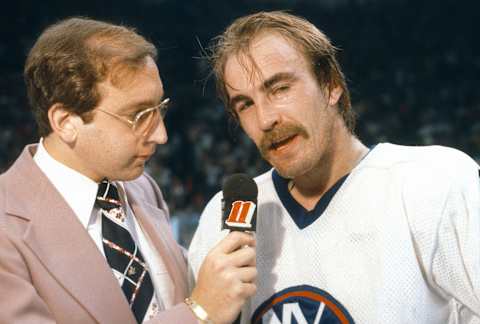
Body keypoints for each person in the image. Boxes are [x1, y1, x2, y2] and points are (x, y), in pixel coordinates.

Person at [188, 11, 480, 324]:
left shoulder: (433, 183)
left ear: (331, 85)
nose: (265, 119)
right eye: (245, 104)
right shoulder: (222, 219)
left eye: (279, 89)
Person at [0, 17, 257, 324]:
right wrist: (198, 312)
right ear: (66, 122)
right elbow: (199, 306)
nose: (161, 135)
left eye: (158, 109)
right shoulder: (7, 226)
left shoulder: (142, 187)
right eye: (139, 115)